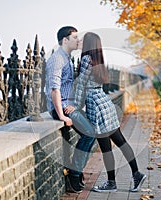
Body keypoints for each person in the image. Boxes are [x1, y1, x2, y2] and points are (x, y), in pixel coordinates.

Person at [66, 32, 146, 192]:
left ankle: (112, 183)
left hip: (97, 107)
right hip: (105, 103)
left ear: (88, 43)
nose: (80, 41)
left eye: (82, 39)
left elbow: (81, 84)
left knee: (106, 147)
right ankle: (136, 174)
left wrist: (75, 105)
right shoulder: (99, 59)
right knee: (121, 142)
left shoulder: (87, 59)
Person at [45, 26, 96, 193]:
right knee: (89, 134)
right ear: (65, 40)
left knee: (90, 134)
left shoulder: (66, 57)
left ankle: (76, 172)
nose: (78, 40)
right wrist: (61, 114)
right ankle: (74, 175)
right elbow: (54, 88)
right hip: (62, 107)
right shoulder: (58, 59)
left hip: (68, 104)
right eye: (75, 38)